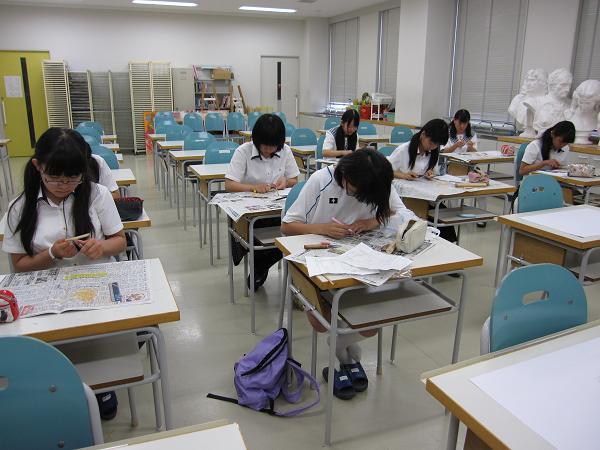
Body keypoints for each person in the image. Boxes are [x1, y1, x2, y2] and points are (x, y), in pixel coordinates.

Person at [2, 127, 127, 420]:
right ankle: (59, 386)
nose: (64, 185)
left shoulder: (97, 195)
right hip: (44, 291)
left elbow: (120, 240)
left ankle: (101, 385)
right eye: (55, 178)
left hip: (93, 283)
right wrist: (51, 254)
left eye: (73, 178)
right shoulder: (19, 208)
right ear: (38, 166)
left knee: (100, 340)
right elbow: (19, 265)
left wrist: (101, 247)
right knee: (49, 346)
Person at [282, 149, 416, 400]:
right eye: (356, 193)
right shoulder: (321, 181)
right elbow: (287, 226)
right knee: (321, 322)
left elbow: (405, 214)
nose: (359, 199)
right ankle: (347, 355)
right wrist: (323, 228)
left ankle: (341, 347)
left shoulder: (377, 181)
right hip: (322, 265)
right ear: (344, 177)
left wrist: (370, 222)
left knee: (373, 321)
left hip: (365, 265)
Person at [225, 114, 300, 290]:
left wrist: (285, 182)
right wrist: (253, 188)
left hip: (277, 208)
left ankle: (260, 265)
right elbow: (229, 185)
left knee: (293, 229)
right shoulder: (243, 151)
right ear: (256, 140)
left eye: (273, 147)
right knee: (268, 232)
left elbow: (294, 180)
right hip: (250, 214)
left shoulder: (285, 151)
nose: (268, 151)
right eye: (264, 146)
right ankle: (260, 263)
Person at [387, 119, 458, 242]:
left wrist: (430, 173)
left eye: (437, 145)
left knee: (445, 222)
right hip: (406, 199)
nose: (433, 147)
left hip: (425, 197)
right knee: (426, 223)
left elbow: (433, 171)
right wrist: (403, 175)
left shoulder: (432, 152)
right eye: (431, 142)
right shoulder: (404, 150)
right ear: (423, 134)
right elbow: (385, 170)